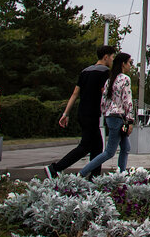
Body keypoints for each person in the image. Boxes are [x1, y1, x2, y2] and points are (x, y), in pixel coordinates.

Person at [45, 45, 115, 178]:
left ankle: (94, 177)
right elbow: (104, 92)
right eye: (112, 57)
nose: (112, 60)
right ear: (106, 57)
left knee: (97, 146)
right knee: (85, 146)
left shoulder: (85, 71)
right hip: (92, 113)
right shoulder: (104, 72)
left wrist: (65, 113)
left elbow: (75, 93)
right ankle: (55, 168)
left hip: (82, 112)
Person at [80, 52, 134, 176]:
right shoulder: (125, 79)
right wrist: (130, 120)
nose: (130, 65)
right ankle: (82, 172)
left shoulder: (110, 80)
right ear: (123, 64)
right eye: (129, 62)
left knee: (126, 148)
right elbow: (128, 101)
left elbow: (103, 101)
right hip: (119, 118)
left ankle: (121, 175)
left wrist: (106, 113)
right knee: (109, 152)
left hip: (111, 116)